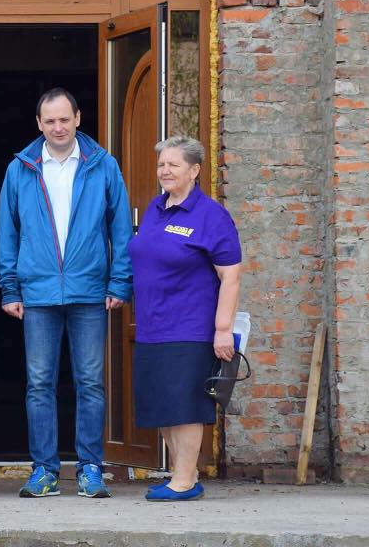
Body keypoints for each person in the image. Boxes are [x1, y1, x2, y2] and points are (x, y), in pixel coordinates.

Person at [0, 87, 133, 498]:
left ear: (78, 119)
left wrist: (119, 281)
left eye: (64, 119)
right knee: (39, 384)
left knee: (90, 382)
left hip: (89, 289)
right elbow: (7, 232)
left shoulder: (102, 165)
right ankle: (44, 470)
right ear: (39, 124)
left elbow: (121, 229)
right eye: (50, 121)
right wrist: (9, 287)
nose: (58, 127)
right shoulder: (20, 169)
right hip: (37, 292)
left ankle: (90, 467)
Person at [127, 136, 242, 501]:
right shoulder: (155, 208)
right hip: (152, 326)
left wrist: (223, 329)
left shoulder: (211, 216)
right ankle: (184, 474)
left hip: (191, 327)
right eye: (161, 164)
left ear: (194, 170)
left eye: (173, 164)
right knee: (163, 404)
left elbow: (231, 276)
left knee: (186, 405)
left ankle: (184, 481)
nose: (165, 171)